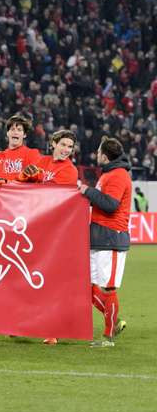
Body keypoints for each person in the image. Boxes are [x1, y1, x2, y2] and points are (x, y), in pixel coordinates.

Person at [16, 130, 78, 344]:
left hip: (57, 233)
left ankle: (53, 330)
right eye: (63, 144)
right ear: (53, 144)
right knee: (28, 278)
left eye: (70, 147)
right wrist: (25, 175)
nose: (66, 150)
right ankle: (25, 323)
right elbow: (21, 182)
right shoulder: (42, 161)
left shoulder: (70, 171)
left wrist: (38, 177)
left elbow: (57, 197)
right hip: (35, 229)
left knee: (51, 282)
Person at [78, 137, 131, 348]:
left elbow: (110, 205)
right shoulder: (109, 174)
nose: (96, 154)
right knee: (87, 287)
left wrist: (88, 191)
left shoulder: (118, 175)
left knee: (108, 289)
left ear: (105, 155)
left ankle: (108, 337)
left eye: (98, 151)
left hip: (112, 238)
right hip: (100, 237)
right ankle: (115, 320)